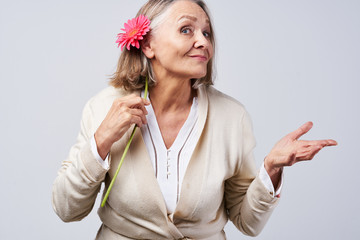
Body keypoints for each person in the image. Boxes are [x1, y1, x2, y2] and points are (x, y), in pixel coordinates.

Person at [52, 0, 337, 239]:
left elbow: (248, 222)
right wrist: (100, 141)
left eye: (207, 33)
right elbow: (67, 209)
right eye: (186, 30)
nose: (203, 42)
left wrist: (271, 169)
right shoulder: (103, 107)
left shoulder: (231, 117)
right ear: (148, 44)